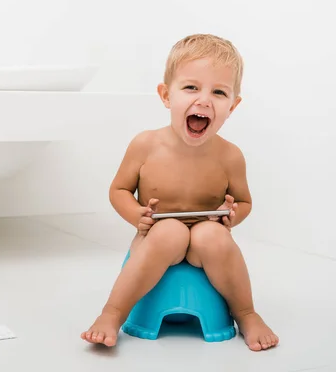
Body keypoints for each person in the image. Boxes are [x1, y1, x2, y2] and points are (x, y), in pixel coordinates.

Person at [81, 34, 279, 351]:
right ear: (166, 95)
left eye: (219, 92)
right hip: (157, 235)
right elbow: (119, 189)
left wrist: (232, 214)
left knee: (212, 237)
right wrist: (137, 215)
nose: (203, 100)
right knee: (170, 231)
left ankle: (247, 314)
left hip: (206, 238)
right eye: (191, 87)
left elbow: (244, 201)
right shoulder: (145, 145)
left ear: (233, 105)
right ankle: (112, 313)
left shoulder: (230, 156)